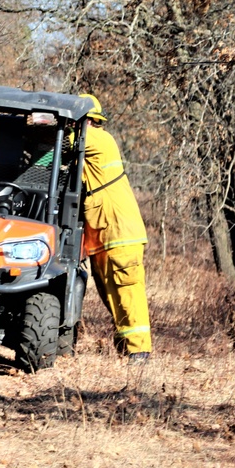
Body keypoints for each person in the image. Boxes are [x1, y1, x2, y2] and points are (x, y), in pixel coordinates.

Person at [79, 94, 152, 363]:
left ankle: (140, 351)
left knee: (127, 291)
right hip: (104, 235)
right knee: (112, 295)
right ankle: (128, 349)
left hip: (120, 233)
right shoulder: (89, 146)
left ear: (89, 121)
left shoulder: (97, 138)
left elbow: (62, 141)